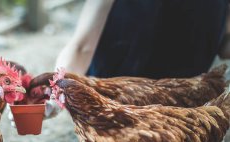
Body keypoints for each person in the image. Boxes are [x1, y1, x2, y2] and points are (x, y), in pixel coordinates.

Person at [41, 0, 230, 119]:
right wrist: (56, 92)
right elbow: (81, 46)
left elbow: (225, 46)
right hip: (115, 104)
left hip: (184, 106)